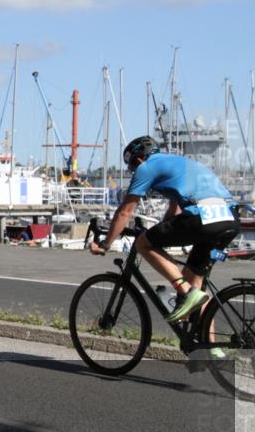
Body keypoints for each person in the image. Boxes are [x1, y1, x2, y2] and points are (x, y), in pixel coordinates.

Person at [90, 136, 240, 322]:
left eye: (133, 166)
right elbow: (174, 211)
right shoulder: (179, 163)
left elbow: (125, 212)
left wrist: (105, 244)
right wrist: (161, 234)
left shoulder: (146, 167)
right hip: (230, 218)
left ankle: (184, 291)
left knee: (142, 244)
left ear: (139, 159)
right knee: (195, 284)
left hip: (202, 218)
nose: (134, 171)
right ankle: (207, 340)